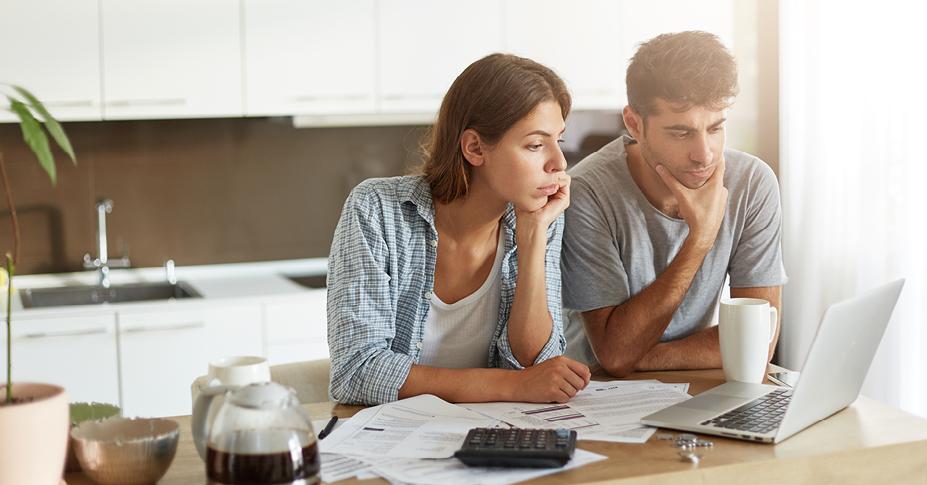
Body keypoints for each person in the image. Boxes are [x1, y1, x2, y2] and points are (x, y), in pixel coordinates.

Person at [327, 53, 591, 405]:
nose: (559, 162)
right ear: (474, 148)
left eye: (558, 139)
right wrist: (511, 386)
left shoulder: (538, 216)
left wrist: (533, 235)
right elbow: (356, 372)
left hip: (490, 435)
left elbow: (536, 364)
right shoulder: (377, 209)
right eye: (535, 144)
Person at [560, 31, 788, 377]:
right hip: (598, 393)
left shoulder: (752, 184)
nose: (704, 155)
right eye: (681, 133)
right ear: (635, 124)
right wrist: (700, 239)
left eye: (715, 128)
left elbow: (758, 342)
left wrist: (641, 357)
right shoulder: (588, 192)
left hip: (693, 383)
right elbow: (614, 354)